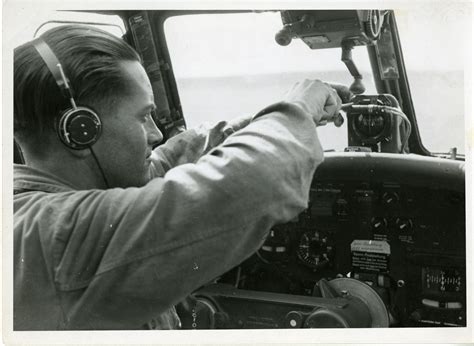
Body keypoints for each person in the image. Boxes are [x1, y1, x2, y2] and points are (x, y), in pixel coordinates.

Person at [13, 24, 347, 330]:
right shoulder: (47, 234)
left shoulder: (49, 200)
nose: (156, 133)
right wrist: (297, 110)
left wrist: (265, 118)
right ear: (81, 129)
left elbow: (167, 160)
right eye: (143, 116)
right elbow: (244, 188)